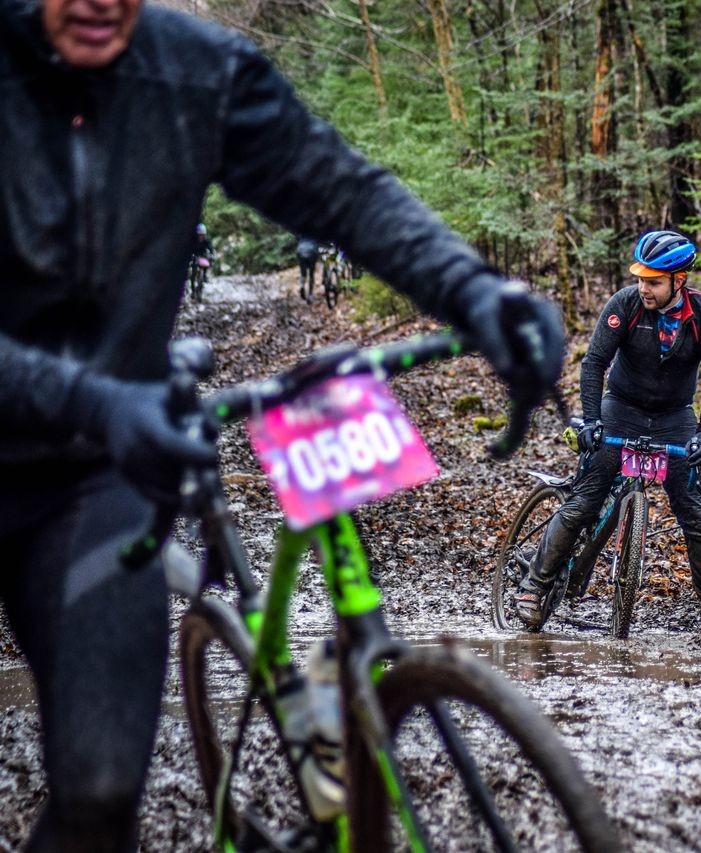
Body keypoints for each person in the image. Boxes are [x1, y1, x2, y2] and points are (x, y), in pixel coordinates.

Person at [0, 0, 563, 849]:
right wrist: (97, 399)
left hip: (93, 476)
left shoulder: (194, 70)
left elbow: (339, 187)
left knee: (103, 790)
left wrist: (475, 291)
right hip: (87, 423)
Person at [515, 230, 701, 631]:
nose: (643, 288)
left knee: (695, 513)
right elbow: (594, 362)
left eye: (652, 282)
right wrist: (593, 420)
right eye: (640, 279)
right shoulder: (626, 305)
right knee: (584, 501)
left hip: (674, 417)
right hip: (621, 409)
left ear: (677, 281)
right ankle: (533, 586)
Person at [297, 235, 319, 301]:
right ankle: (310, 294)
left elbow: (297, 237)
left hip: (300, 251)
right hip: (312, 251)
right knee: (311, 274)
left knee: (303, 273)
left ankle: (302, 286)